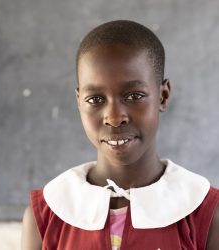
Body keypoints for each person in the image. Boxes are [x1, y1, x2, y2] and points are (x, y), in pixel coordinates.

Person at [21, 20, 219, 250]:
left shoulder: (205, 213)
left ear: (163, 97)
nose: (114, 117)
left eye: (134, 96)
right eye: (95, 99)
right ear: (79, 102)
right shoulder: (47, 215)